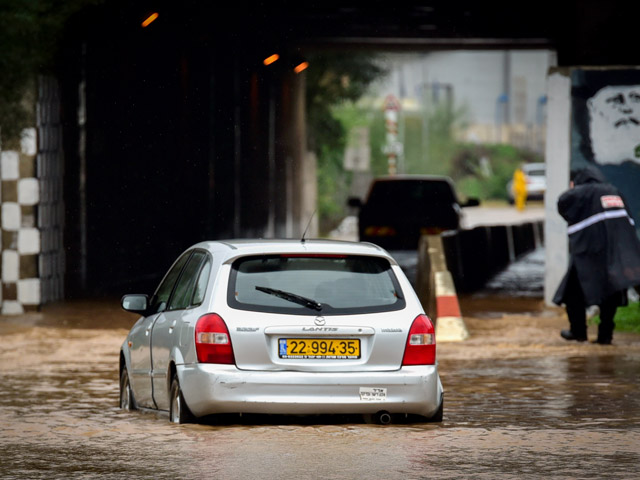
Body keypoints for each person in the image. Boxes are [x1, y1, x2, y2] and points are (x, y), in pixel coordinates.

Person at [553, 166, 640, 344]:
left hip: (588, 253)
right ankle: (605, 335)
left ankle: (578, 332)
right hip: (617, 254)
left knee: (573, 292)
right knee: (611, 293)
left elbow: (563, 203)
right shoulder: (614, 191)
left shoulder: (581, 191)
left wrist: (574, 189)